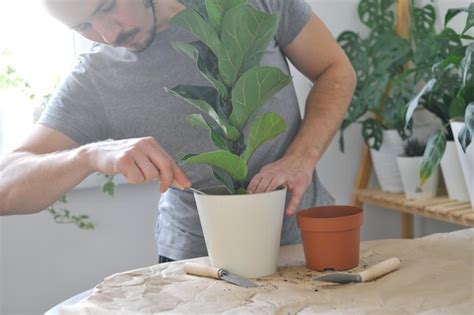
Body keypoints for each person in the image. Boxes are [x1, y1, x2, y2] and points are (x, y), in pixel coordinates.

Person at [0, 0, 356, 262]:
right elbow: (6, 186)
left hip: (310, 241)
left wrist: (301, 157)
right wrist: (90, 155)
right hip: (197, 265)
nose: (108, 34)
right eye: (83, 28)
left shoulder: (250, 4)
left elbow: (334, 69)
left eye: (107, 7)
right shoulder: (97, 77)